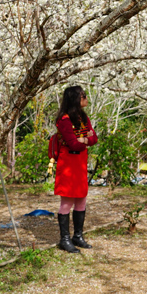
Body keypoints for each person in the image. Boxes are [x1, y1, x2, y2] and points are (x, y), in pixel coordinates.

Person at [53, 85, 98, 253]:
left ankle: (77, 236)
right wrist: (85, 140)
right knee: (67, 201)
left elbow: (94, 138)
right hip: (68, 163)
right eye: (83, 95)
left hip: (80, 163)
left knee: (81, 198)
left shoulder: (83, 118)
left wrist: (84, 140)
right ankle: (64, 239)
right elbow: (73, 143)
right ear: (75, 99)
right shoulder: (64, 119)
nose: (86, 98)